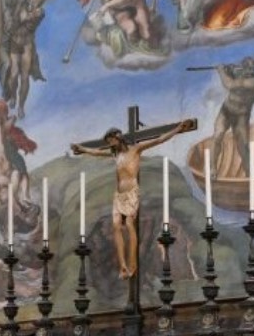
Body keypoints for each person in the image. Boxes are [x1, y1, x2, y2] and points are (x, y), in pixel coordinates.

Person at [70, 119, 193, 279]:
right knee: (116, 228)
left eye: (111, 140)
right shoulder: (116, 155)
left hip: (131, 193)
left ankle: (133, 263)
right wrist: (81, 148)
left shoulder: (135, 150)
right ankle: (122, 267)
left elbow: (158, 139)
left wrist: (177, 129)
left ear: (118, 137)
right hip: (118, 195)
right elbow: (96, 152)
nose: (110, 144)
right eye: (108, 142)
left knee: (129, 224)